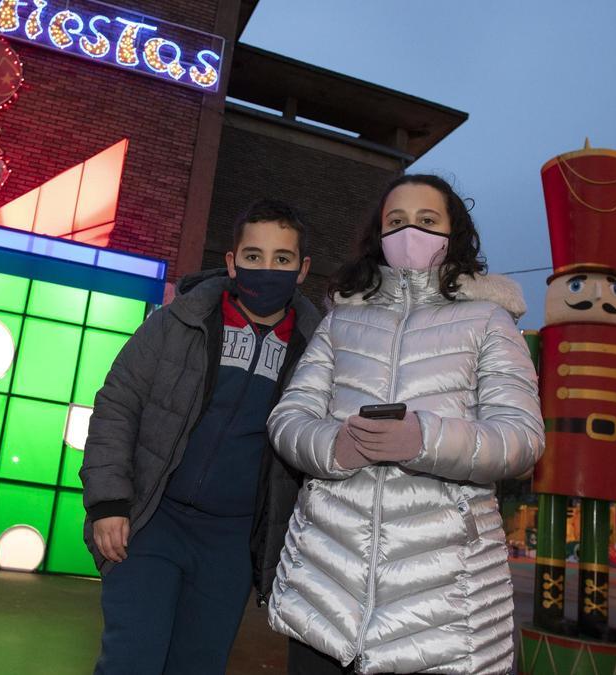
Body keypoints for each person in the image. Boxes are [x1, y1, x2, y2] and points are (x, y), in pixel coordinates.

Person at [265, 175, 545, 674]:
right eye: (396, 222)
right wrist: (336, 447)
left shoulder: (489, 320)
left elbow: (521, 438)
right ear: (379, 235)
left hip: (444, 609)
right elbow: (289, 418)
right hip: (326, 590)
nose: (409, 232)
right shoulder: (341, 321)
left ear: (452, 232)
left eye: (427, 220)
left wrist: (425, 439)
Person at [80, 199, 323, 674]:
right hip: (152, 521)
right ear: (232, 262)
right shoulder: (178, 323)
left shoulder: (319, 352)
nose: (266, 268)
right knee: (131, 659)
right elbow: (118, 404)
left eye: (282, 259)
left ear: (302, 270)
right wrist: (109, 502)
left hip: (232, 541)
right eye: (253, 256)